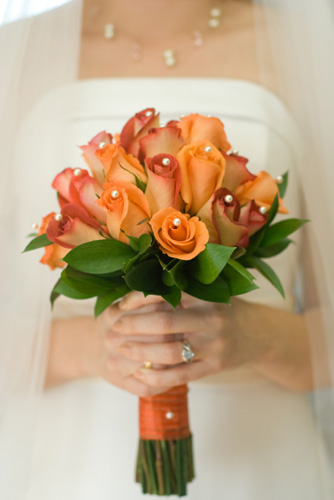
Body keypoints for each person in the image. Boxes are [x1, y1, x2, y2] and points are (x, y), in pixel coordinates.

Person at [1, 1, 334, 499]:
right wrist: (90, 349)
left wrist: (254, 337)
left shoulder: (315, 44)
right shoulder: (13, 51)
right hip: (67, 466)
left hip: (263, 466)